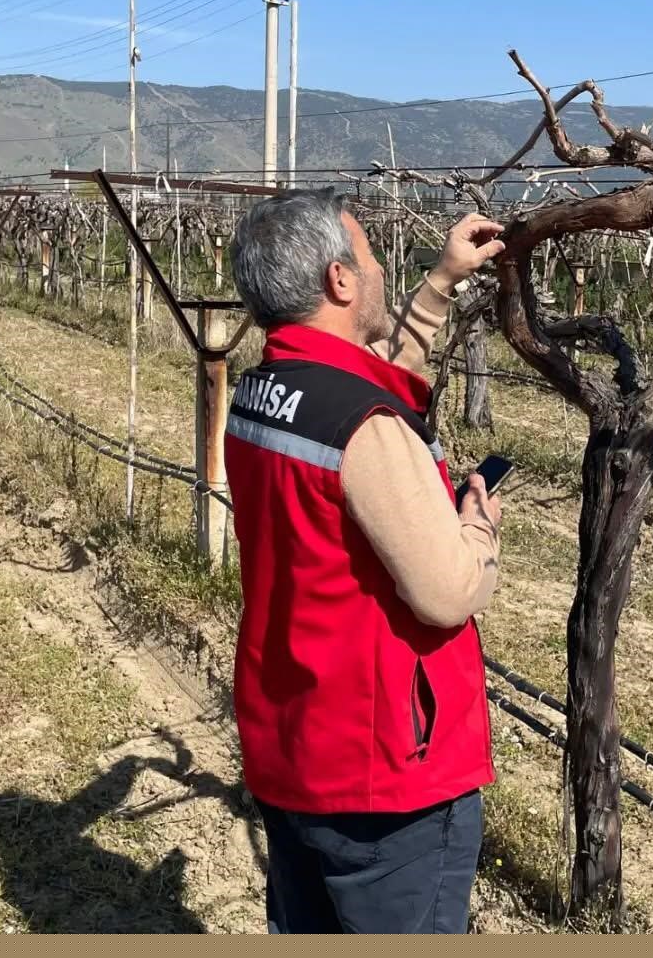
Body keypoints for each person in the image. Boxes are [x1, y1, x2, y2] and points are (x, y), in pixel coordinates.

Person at [224, 188, 507, 934]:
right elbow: (446, 592)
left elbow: (368, 379)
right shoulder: (365, 428)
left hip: (293, 745)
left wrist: (440, 282)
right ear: (340, 281)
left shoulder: (261, 396)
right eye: (372, 256)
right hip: (384, 776)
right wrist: (478, 531)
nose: (382, 268)